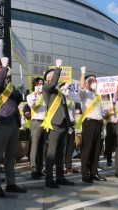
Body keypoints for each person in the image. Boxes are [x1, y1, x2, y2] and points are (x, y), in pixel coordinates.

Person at [0, 57, 27, 197]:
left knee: (11, 156)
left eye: (5, 66)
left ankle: (11, 184)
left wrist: (20, 91)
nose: (3, 68)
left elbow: (17, 100)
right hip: (2, 121)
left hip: (14, 122)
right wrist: (3, 69)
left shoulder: (10, 85)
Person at [41, 59, 74, 188]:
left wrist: (69, 124)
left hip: (63, 124)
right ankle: (49, 179)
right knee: (51, 153)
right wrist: (58, 68)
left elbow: (64, 108)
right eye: (51, 76)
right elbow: (54, 82)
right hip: (54, 124)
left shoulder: (59, 93)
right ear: (48, 79)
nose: (54, 78)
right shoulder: (47, 88)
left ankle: (60, 177)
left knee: (61, 154)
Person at [77, 67, 108, 183]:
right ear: (87, 83)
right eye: (92, 81)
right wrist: (83, 73)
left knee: (96, 150)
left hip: (98, 124)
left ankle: (94, 173)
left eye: (95, 81)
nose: (94, 83)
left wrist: (106, 114)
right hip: (88, 123)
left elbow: (101, 112)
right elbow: (81, 86)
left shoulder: (98, 96)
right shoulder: (84, 94)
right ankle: (85, 174)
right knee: (87, 149)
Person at [26, 77, 47, 179]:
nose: (41, 85)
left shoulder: (45, 96)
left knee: (42, 147)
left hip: (45, 123)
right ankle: (33, 168)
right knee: (34, 147)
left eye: (42, 83)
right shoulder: (30, 96)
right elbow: (31, 105)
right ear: (35, 85)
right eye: (39, 84)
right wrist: (35, 94)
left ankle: (40, 168)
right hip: (36, 122)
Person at [60, 83, 79, 174]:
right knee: (63, 146)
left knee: (70, 147)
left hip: (71, 125)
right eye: (65, 88)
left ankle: (68, 166)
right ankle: (61, 166)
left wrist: (75, 125)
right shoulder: (59, 100)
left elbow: (74, 114)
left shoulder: (72, 101)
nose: (67, 90)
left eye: (68, 88)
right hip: (63, 124)